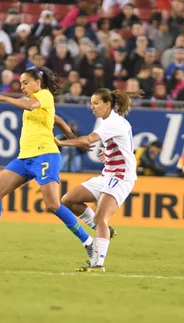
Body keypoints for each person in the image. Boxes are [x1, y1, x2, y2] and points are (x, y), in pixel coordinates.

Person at [0, 67, 94, 262]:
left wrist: (3, 97)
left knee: (53, 204)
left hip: (45, 155)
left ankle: (89, 242)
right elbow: (57, 120)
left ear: (37, 83)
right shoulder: (38, 102)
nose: (22, 86)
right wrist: (75, 139)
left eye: (25, 82)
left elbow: (32, 106)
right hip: (25, 157)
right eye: (21, 83)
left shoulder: (44, 95)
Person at [55, 88, 139, 272]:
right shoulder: (110, 122)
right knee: (68, 200)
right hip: (108, 174)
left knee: (101, 216)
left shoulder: (113, 123)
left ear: (107, 104)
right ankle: (103, 230)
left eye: (96, 103)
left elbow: (87, 141)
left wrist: (61, 143)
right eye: (91, 103)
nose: (92, 107)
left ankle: (98, 262)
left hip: (121, 177)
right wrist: (107, 152)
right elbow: (120, 145)